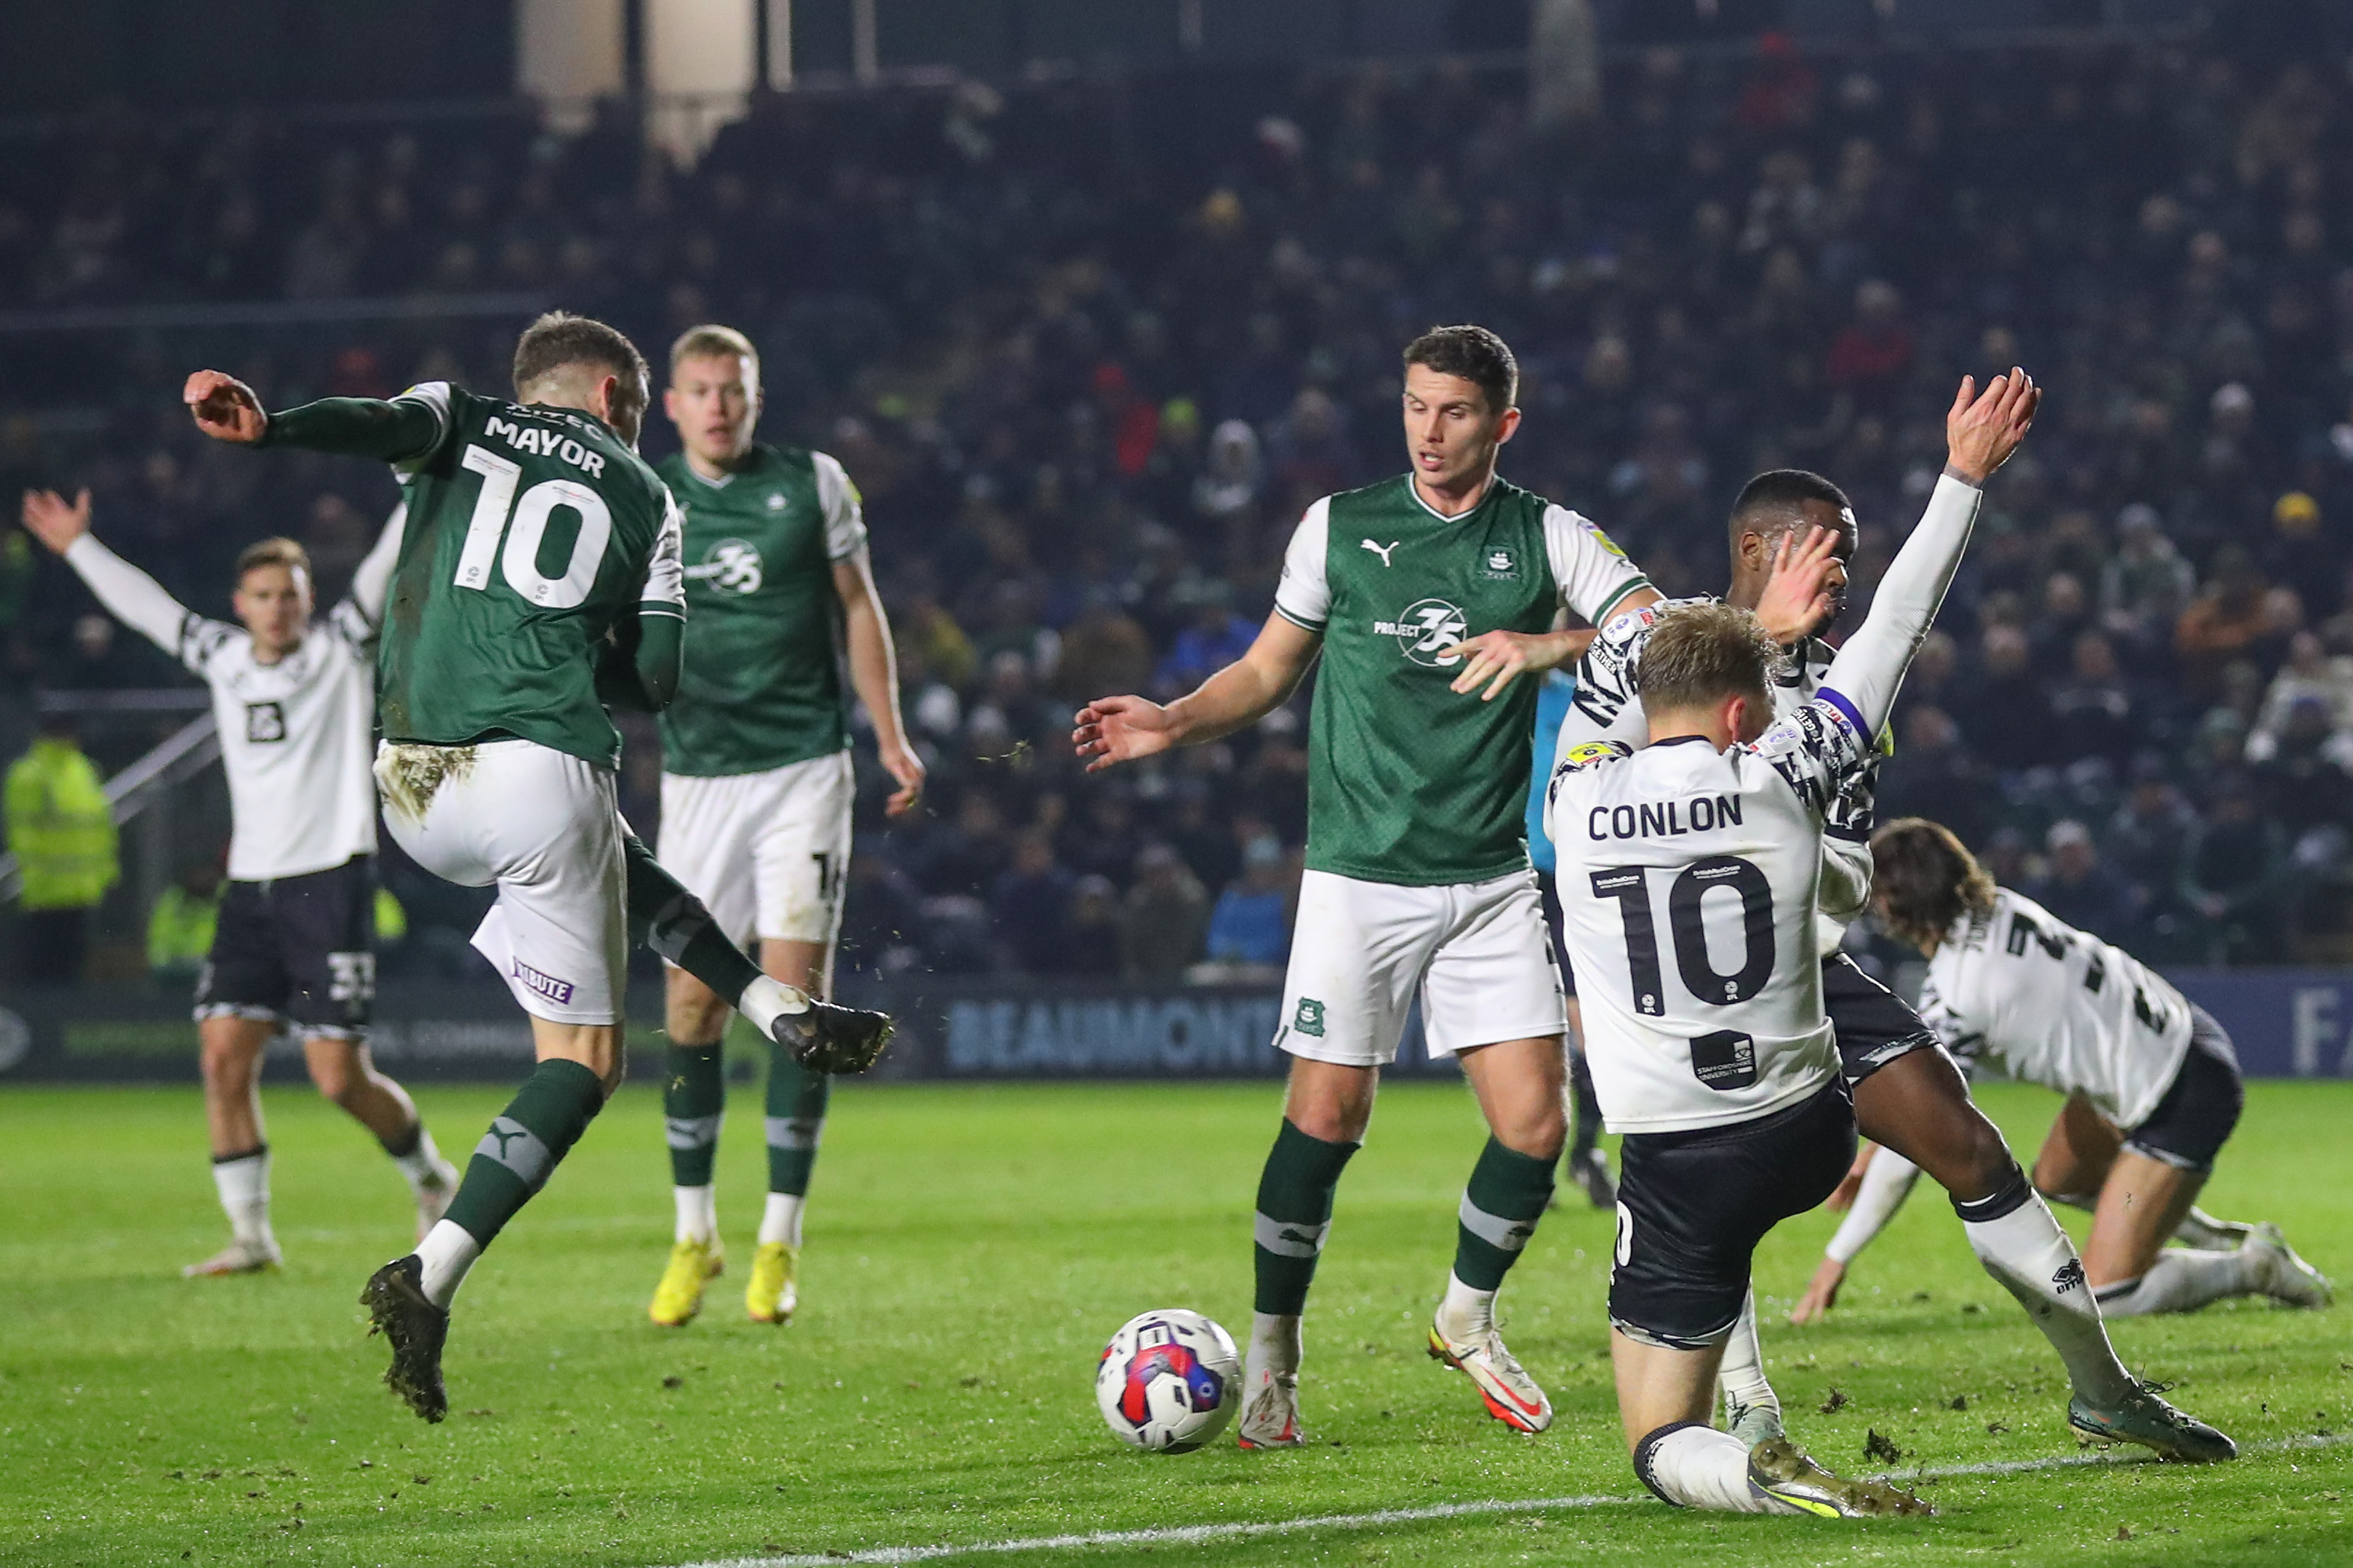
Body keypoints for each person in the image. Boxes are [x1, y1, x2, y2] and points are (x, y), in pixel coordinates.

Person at [1546, 370, 2228, 1521]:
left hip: (1808, 969)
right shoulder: (1662, 658)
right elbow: (1628, 772)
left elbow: (1595, 802)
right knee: (1719, 1174)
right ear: (1766, 552)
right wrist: (1954, 489)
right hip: (1687, 996)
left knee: (1962, 1142)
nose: (1850, 577)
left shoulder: (1779, 692)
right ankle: (1752, 1409)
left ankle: (2102, 1387)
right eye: (1837, 552)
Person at [184, 311, 891, 1422]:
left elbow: (376, 426)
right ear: (616, 397)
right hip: (536, 779)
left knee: (612, 852)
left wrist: (270, 427)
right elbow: (656, 679)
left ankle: (771, 1002)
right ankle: (429, 1273)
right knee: (587, 1061)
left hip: (411, 787)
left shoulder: (459, 413)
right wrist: (589, 633)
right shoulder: (650, 495)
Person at [1076, 324, 1662, 1445]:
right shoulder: (1340, 527)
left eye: (1453, 412)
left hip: (1490, 878)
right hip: (1358, 879)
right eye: (1413, 407)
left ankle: (1466, 1315)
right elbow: (1264, 670)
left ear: (1503, 424)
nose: (1430, 433)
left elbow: (1659, 631)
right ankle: (1273, 1361)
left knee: (1539, 1127)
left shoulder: (1548, 534)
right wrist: (1174, 719)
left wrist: (1548, 647)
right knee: (1328, 1118)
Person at [22, 489, 461, 1275]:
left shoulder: (340, 651)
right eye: (262, 596)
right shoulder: (222, 656)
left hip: (329, 881)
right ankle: (252, 1237)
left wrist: (418, 485)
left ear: (307, 600)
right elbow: (148, 610)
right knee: (223, 1055)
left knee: (337, 1078)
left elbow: (384, 564)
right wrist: (80, 548)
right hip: (251, 890)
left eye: (289, 595)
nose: (277, 609)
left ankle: (431, 1177)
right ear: (240, 604)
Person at [646, 325, 925, 1331]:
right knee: (691, 1009)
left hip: (804, 768)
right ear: (669, 404)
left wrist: (887, 733)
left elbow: (859, 605)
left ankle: (778, 1240)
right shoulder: (647, 496)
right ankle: (693, 1233)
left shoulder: (813, 484)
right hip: (698, 780)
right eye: (701, 391)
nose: (719, 405)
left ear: (756, 397)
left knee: (800, 1009)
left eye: (735, 389)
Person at [1797, 817, 2330, 1320]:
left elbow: (1925, 1134)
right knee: (2058, 1177)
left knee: (2106, 1294)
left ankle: (2253, 1266)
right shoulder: (2003, 906)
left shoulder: (1959, 990)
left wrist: (1837, 1255)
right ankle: (2212, 1238)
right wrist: (1876, 1150)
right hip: (2179, 1039)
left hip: (2177, 1090)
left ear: (1896, 901)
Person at [1525, 660, 1616, 1207]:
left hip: (1574, 877)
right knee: (1526, 1029)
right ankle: (1536, 1160)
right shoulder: (1484, 698)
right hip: (1509, 878)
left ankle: (1583, 1151)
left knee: (1589, 1029)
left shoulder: (1584, 697)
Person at [4, 709, 116, 986]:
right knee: (44, 966)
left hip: (82, 887)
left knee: (73, 964)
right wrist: (34, 874)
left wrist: (105, 873)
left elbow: (99, 826)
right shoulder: (30, 774)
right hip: (46, 890)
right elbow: (23, 831)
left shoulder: (82, 768)